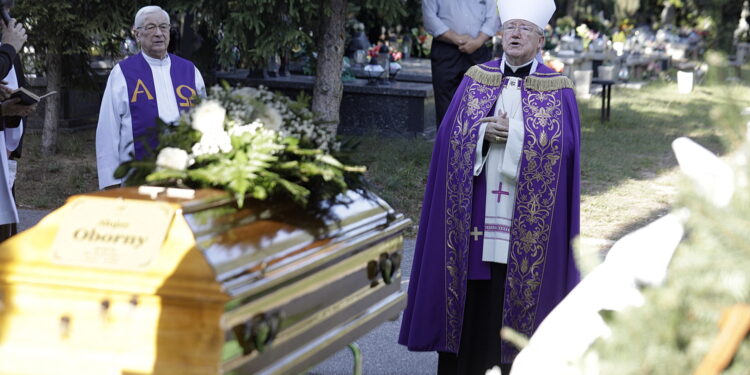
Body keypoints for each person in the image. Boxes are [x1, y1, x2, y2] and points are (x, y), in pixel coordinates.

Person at [399, 0, 581, 373]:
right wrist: (481, 133)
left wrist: (519, 137)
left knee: (513, 294)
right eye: (510, 27)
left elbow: (564, 150)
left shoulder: (558, 88)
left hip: (524, 223)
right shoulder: (475, 78)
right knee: (472, 301)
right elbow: (449, 140)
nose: (515, 33)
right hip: (475, 219)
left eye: (524, 29)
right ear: (500, 34)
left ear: (540, 39)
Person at [96, 5, 206, 190]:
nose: (158, 33)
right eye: (150, 27)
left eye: (163, 27)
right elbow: (109, 129)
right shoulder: (123, 73)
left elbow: (205, 122)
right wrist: (111, 182)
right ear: (137, 34)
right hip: (138, 177)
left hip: (187, 175)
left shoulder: (189, 71)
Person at [422, 0, 499, 128]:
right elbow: (429, 17)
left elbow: (492, 17)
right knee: (444, 101)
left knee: (479, 100)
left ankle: (474, 144)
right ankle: (446, 144)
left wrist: (477, 42)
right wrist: (458, 39)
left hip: (478, 48)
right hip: (445, 49)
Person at [0, 3, 34, 241]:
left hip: (5, 156)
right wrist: (9, 47)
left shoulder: (7, 53)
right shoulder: (7, 50)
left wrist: (15, 109)